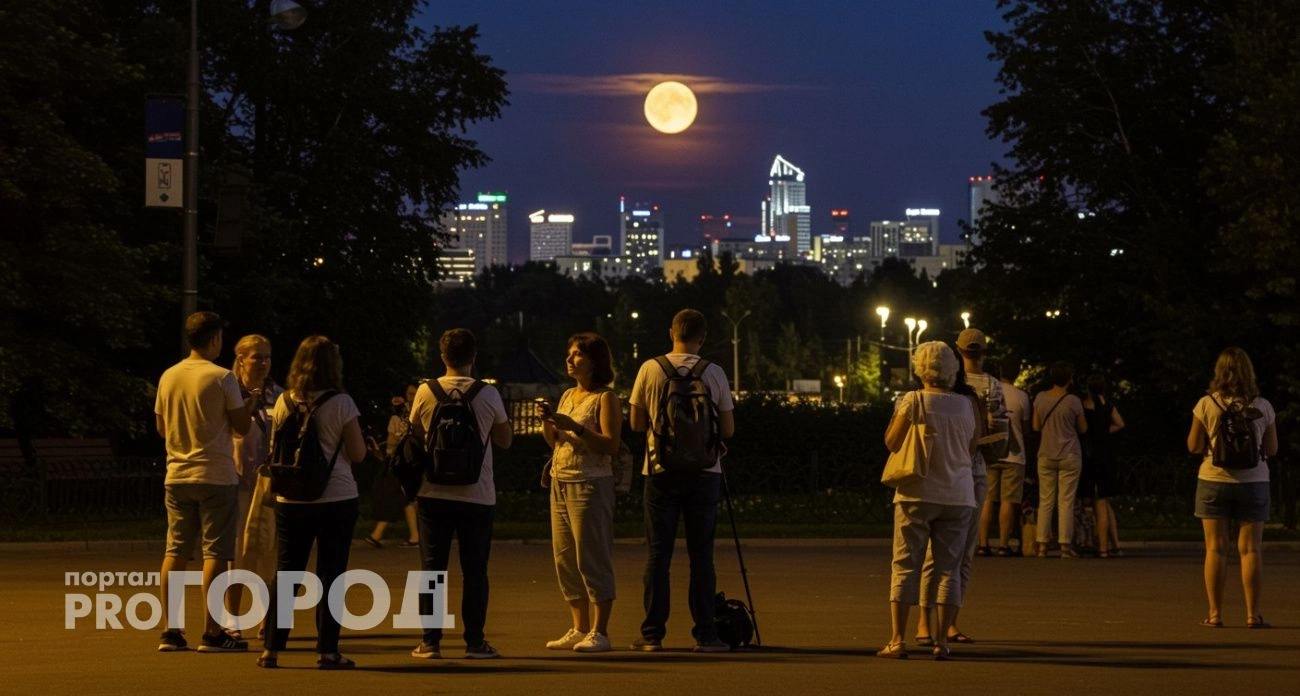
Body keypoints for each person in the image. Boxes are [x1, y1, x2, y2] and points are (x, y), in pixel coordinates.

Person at [629, 309, 736, 652]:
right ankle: (706, 634)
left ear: (671, 332)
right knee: (701, 555)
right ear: (702, 338)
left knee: (658, 555)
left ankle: (652, 635)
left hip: (660, 471)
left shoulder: (650, 368)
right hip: (705, 473)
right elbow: (729, 429)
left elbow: (635, 423)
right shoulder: (714, 372)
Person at [257, 335, 367, 670]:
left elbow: (276, 446)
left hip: (290, 496)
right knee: (331, 573)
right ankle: (327, 650)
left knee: (287, 570)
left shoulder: (284, 401)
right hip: (336, 496)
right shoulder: (342, 403)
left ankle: (271, 649)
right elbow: (358, 454)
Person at [154, 311, 259, 653]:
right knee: (215, 551)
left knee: (176, 551)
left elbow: (160, 426)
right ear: (213, 338)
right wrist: (250, 402)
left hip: (177, 475)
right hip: (216, 475)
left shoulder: (168, 376)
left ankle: (171, 630)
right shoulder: (222, 378)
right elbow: (241, 426)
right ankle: (213, 631)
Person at [408, 329, 512, 660]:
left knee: (432, 569)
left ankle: (430, 641)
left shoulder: (426, 391)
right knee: (475, 570)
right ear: (474, 356)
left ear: (443, 356)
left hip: (432, 492)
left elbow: (415, 434)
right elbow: (506, 439)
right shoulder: (488, 395)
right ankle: (475, 641)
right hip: (477, 494)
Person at [878, 341, 978, 661]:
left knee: (906, 565)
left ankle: (897, 640)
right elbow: (973, 446)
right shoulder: (966, 404)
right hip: (959, 495)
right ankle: (941, 642)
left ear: (920, 368)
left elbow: (892, 443)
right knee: (949, 569)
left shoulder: (914, 400)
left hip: (917, 493)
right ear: (952, 370)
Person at [538, 332, 622, 653]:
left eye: (577, 354)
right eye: (569, 354)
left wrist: (575, 426)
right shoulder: (568, 396)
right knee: (565, 559)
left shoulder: (605, 398)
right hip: (561, 480)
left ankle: (600, 631)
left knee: (592, 556)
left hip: (590, 483)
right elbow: (555, 441)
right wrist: (550, 423)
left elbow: (610, 445)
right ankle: (578, 627)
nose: (570, 359)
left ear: (594, 360)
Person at [915, 329, 995, 648]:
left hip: (949, 477)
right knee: (957, 556)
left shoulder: (931, 397)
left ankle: (929, 624)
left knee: (939, 557)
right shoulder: (966, 399)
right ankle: (945, 626)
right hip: (967, 478)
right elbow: (979, 439)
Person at [1187, 347, 1277, 628]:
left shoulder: (1206, 404)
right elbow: (1272, 449)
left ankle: (1215, 614)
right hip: (1254, 481)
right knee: (1250, 549)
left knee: (1215, 548)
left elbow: (1193, 446)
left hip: (1214, 479)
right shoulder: (1262, 406)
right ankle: (1253, 614)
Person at [227, 334, 283, 639]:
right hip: (236, 481)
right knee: (236, 553)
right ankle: (232, 618)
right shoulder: (228, 390)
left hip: (269, 482)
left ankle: (267, 619)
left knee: (268, 553)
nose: (262, 362)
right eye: (256, 357)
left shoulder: (279, 394)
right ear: (240, 359)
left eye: (267, 356)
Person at [1032, 362, 1088, 558]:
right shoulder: (1073, 401)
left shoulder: (1040, 398)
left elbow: (1036, 426)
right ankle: (1065, 545)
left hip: (1046, 453)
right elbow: (1082, 429)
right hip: (1070, 454)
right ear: (1069, 379)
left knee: (1045, 500)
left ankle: (1042, 545)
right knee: (1066, 501)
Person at [979, 357, 1031, 556]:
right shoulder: (1021, 397)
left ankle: (983, 544)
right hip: (1014, 455)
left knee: (987, 499)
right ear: (1017, 373)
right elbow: (1026, 428)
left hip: (991, 452)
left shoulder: (990, 393)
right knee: (1009, 500)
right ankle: (1003, 544)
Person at [366, 383, 420, 548]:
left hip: (400, 462)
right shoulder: (412, 416)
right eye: (409, 394)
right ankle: (414, 536)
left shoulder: (400, 418)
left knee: (394, 495)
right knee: (405, 498)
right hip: (408, 461)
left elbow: (391, 441)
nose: (410, 397)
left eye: (413, 394)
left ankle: (378, 533)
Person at [1081, 373, 1125, 558]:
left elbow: (1081, 427)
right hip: (1107, 453)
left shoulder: (1085, 405)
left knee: (1097, 501)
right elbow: (1121, 423)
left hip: (1091, 454)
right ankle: (1114, 543)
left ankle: (1102, 547)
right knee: (1105, 501)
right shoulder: (1107, 405)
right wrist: (1106, 431)